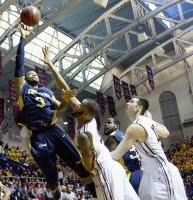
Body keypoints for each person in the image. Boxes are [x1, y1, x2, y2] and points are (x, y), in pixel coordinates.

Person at [41, 45, 140, 199]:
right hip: (114, 168)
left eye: (81, 105)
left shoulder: (85, 135)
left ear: (86, 113)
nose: (77, 104)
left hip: (105, 170)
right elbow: (65, 89)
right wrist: (50, 64)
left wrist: (86, 153)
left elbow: (88, 166)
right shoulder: (86, 116)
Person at [14, 24, 97, 199]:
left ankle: (97, 194)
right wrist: (22, 38)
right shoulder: (22, 89)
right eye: (30, 74)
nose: (33, 74)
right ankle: (55, 193)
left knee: (79, 165)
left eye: (35, 73)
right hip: (38, 135)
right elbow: (19, 64)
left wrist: (65, 98)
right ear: (25, 79)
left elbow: (61, 108)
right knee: (51, 177)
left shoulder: (47, 91)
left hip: (54, 129)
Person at [111, 97, 187, 200]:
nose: (127, 103)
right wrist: (151, 120)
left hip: (160, 172)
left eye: (132, 101)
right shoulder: (146, 121)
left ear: (139, 107)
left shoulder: (135, 127)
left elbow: (116, 155)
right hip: (147, 173)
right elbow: (166, 133)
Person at [103, 117, 143, 194]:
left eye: (109, 122)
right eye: (105, 123)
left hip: (129, 175)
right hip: (140, 173)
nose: (106, 124)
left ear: (116, 126)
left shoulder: (112, 136)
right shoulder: (124, 135)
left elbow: (113, 158)